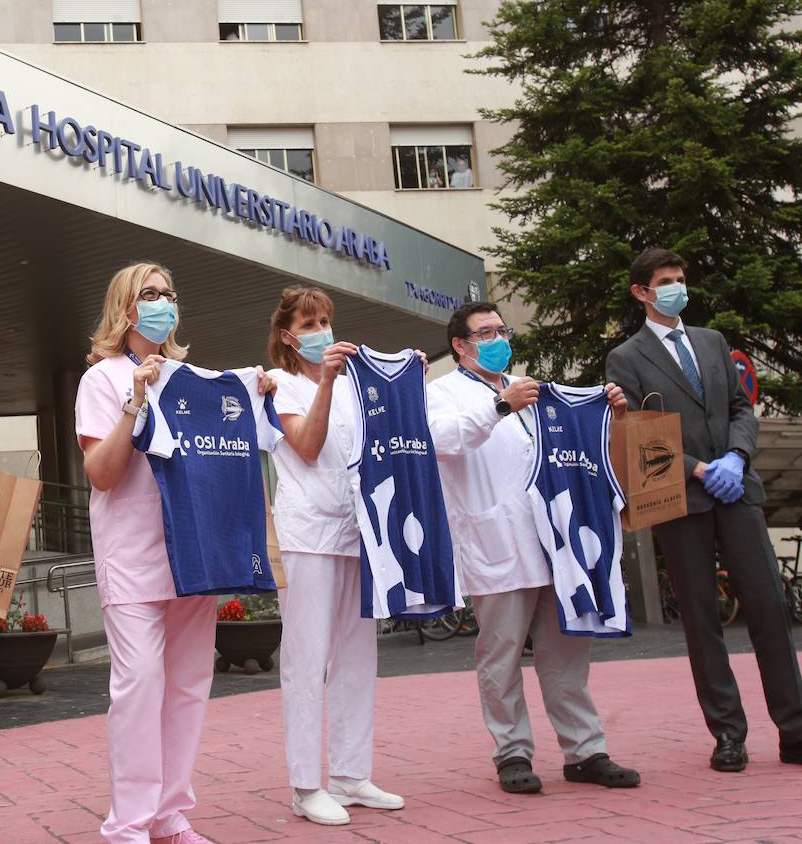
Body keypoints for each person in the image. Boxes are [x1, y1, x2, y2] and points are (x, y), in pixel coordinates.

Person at [75, 262, 274, 844]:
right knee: (138, 685)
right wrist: (135, 404)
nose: (163, 303)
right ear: (125, 307)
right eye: (150, 294)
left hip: (196, 554)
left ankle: (168, 814)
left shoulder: (195, 379)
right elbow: (102, 475)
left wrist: (254, 392)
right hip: (133, 555)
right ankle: (129, 822)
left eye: (169, 294)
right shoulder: (103, 380)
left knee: (188, 686)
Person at [427, 302, 639, 795]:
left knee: (567, 651)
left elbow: (578, 448)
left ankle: (585, 751)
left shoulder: (536, 390)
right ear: (460, 345)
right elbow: (444, 440)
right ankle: (512, 752)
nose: (498, 338)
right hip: (495, 542)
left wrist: (613, 413)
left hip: (556, 543)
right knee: (500, 655)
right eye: (485, 333)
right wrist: (500, 407)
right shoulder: (443, 394)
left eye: (502, 329)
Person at [607, 248, 802, 771]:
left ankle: (795, 728)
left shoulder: (712, 342)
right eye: (665, 281)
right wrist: (698, 468)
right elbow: (638, 432)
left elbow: (742, 408)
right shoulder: (625, 358)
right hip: (681, 498)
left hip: (738, 492)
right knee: (701, 618)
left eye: (680, 279)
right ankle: (729, 734)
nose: (677, 287)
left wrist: (736, 459)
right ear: (642, 293)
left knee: (768, 608)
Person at [264, 286, 405, 826]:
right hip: (307, 537)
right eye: (309, 322)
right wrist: (324, 379)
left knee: (356, 655)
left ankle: (350, 774)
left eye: (325, 319)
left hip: (357, 533)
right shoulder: (280, 386)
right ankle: (305, 784)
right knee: (307, 660)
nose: (321, 328)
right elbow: (306, 444)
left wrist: (400, 377)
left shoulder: (351, 386)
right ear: (287, 335)